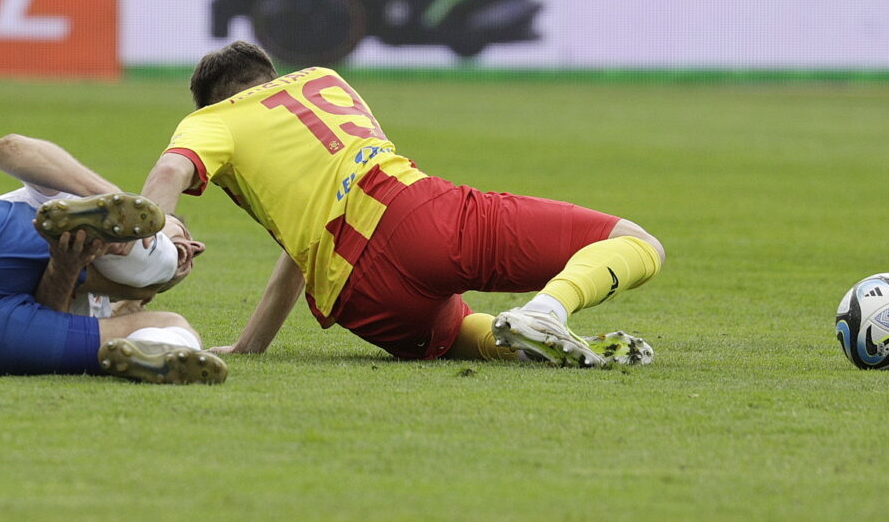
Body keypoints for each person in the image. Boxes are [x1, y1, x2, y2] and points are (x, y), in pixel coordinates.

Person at [141, 41, 665, 368]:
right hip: (415, 215)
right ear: (273, 75)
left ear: (214, 100)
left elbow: (174, 174)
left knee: (456, 333)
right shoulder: (324, 79)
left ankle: (530, 343)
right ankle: (547, 310)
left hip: (363, 302)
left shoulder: (211, 122)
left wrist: (145, 256)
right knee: (635, 241)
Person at [0, 134, 225, 384]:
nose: (187, 255)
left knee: (145, 288)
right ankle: (161, 311)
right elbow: (8, 149)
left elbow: (43, 316)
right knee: (172, 319)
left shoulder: (99, 289)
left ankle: (154, 348)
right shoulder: (69, 209)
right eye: (180, 243)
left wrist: (66, 269)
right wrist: (109, 195)